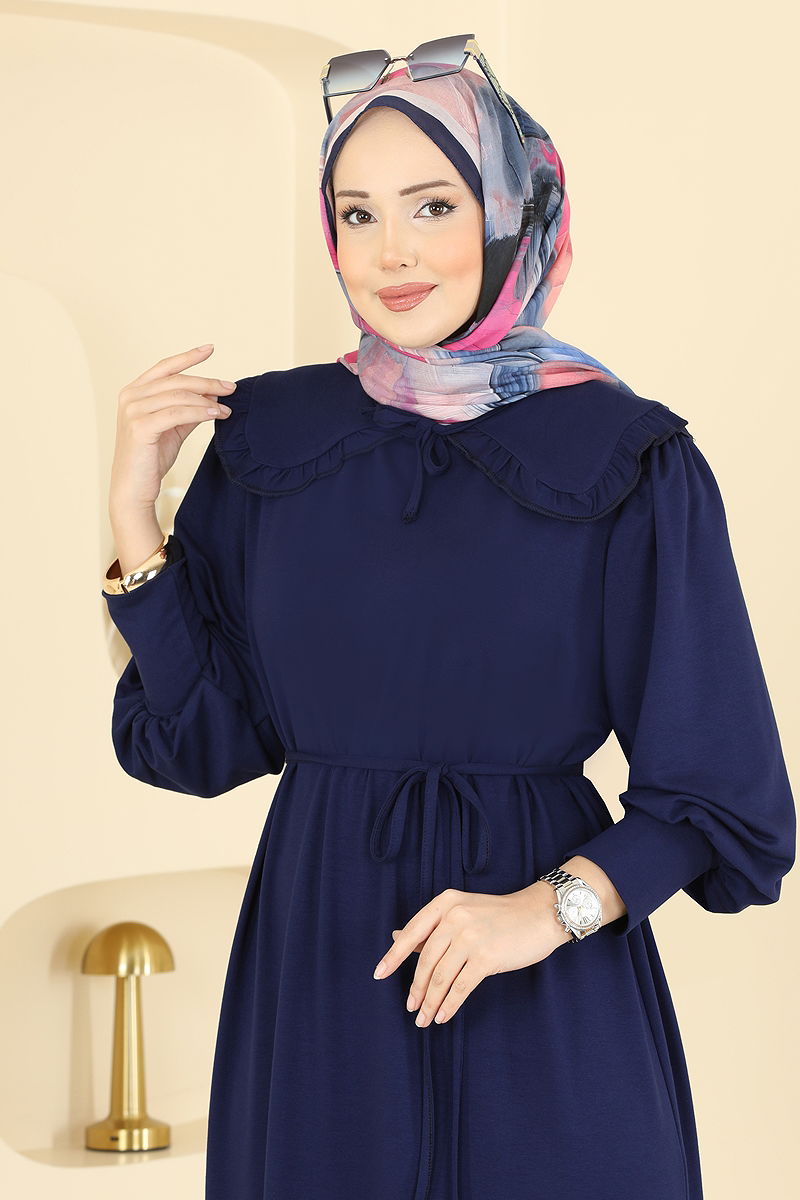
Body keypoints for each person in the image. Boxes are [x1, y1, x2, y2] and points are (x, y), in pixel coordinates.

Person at [102, 41, 796, 1200]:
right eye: (357, 213)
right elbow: (203, 744)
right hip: (321, 995)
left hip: (547, 1007)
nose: (392, 251)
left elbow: (722, 800)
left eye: (432, 205)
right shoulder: (271, 440)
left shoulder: (626, 457)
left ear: (512, 214)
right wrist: (135, 514)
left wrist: (542, 912)